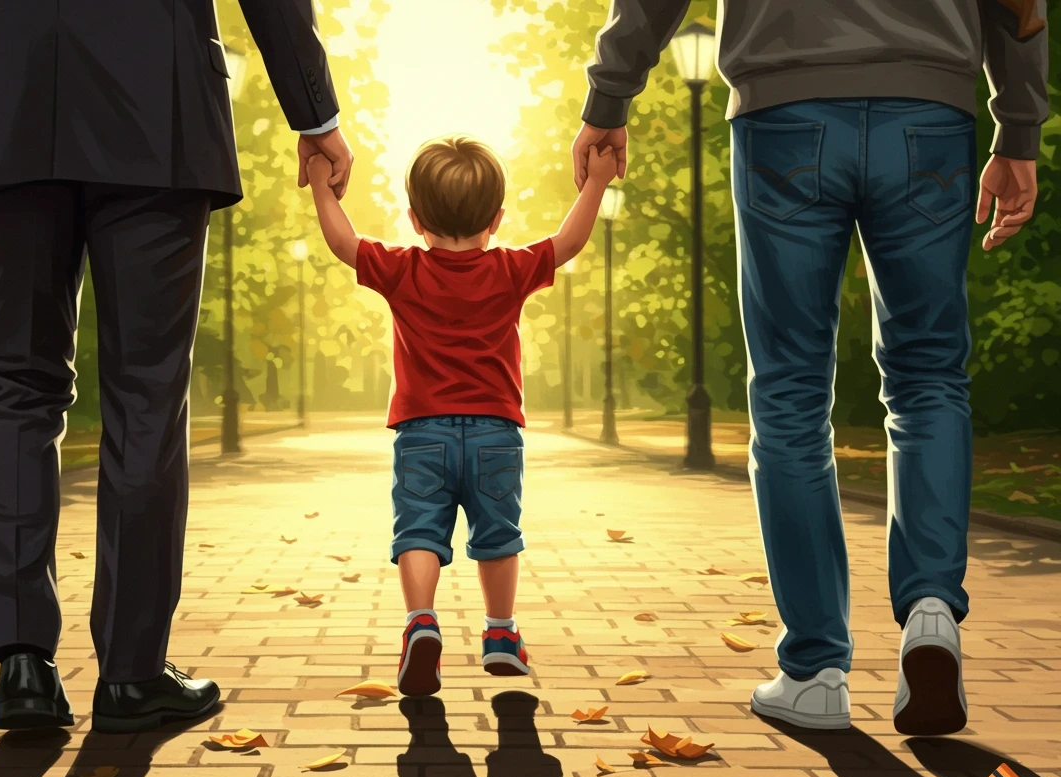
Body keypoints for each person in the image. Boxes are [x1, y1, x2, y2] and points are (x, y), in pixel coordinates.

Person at [572, 0, 1047, 735]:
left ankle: (816, 671)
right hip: (930, 111)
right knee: (928, 378)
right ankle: (930, 612)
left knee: (790, 393)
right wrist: (1018, 124)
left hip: (783, 112)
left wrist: (611, 93)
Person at [0, 0, 355, 733]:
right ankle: (133, 672)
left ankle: (23, 665)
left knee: (18, 385)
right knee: (146, 397)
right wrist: (314, 115)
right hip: (160, 113)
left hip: (8, 108)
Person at [305, 136, 619, 696]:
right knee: (498, 533)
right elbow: (568, 241)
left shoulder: (401, 269)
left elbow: (344, 244)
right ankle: (501, 634)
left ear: (414, 218)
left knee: (419, 529)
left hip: (422, 431)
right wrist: (595, 182)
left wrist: (324, 192)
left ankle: (421, 621)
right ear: (497, 220)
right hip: (497, 432)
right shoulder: (511, 269)